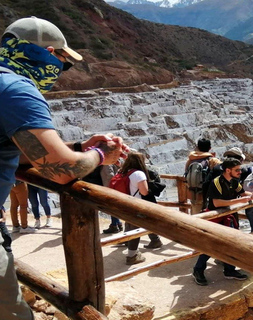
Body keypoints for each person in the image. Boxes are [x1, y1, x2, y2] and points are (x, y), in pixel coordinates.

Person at [0, 17, 128, 319]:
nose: (60, 71)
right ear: (47, 53)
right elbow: (61, 171)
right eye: (63, 62)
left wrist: (79, 149)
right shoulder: (16, 90)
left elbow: (20, 152)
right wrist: (100, 154)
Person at [192, 158, 253, 286]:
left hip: (228, 216)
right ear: (228, 170)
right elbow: (217, 202)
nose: (240, 172)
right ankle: (198, 270)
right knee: (212, 245)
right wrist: (238, 201)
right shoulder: (216, 182)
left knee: (231, 243)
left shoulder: (234, 181)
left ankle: (229, 270)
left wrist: (252, 194)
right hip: (216, 218)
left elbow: (242, 193)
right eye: (237, 170)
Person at [115, 152, 151, 264]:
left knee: (128, 224)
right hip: (135, 205)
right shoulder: (139, 174)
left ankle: (127, 243)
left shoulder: (121, 171)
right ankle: (132, 256)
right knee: (135, 230)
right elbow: (144, 192)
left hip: (122, 203)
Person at [185, 138, 220, 214]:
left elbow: (186, 174)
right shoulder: (212, 160)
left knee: (195, 217)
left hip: (193, 194)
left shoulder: (190, 160)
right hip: (207, 195)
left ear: (197, 147)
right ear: (209, 148)